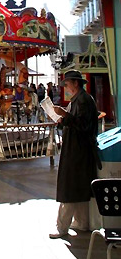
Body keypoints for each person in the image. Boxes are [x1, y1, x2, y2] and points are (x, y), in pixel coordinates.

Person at [49, 70, 100, 239]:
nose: (67, 88)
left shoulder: (83, 101)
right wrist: (63, 119)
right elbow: (77, 122)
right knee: (79, 187)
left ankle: (62, 227)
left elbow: (83, 125)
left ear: (75, 83)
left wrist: (64, 115)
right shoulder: (80, 100)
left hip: (78, 151)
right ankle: (81, 222)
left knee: (70, 188)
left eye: (68, 84)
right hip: (78, 150)